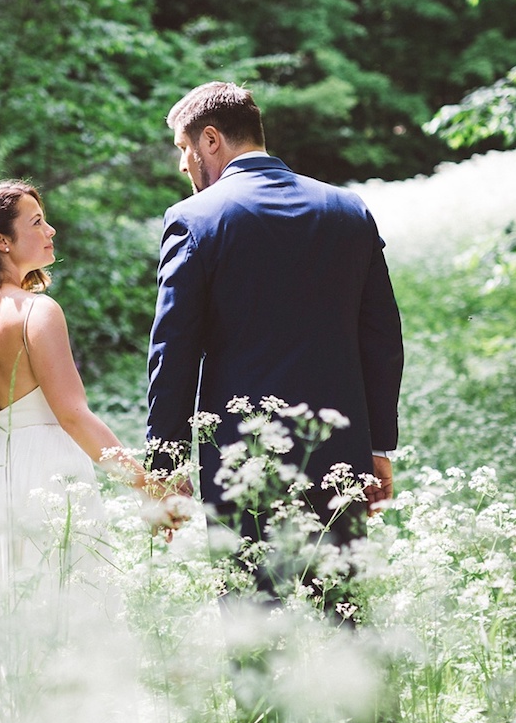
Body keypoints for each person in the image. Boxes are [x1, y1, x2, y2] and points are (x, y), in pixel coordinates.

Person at [146, 81, 404, 547]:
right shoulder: (347, 209)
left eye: (184, 147)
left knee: (251, 611)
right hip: (338, 451)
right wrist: (376, 446)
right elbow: (382, 337)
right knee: (338, 608)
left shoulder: (195, 219)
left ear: (211, 139)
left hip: (241, 458)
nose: (183, 163)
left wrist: (165, 467)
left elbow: (174, 352)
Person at [0, 180, 153, 595]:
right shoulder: (37, 313)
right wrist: (147, 485)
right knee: (61, 611)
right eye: (38, 222)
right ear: (0, 240)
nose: (51, 231)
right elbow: (73, 415)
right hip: (46, 473)